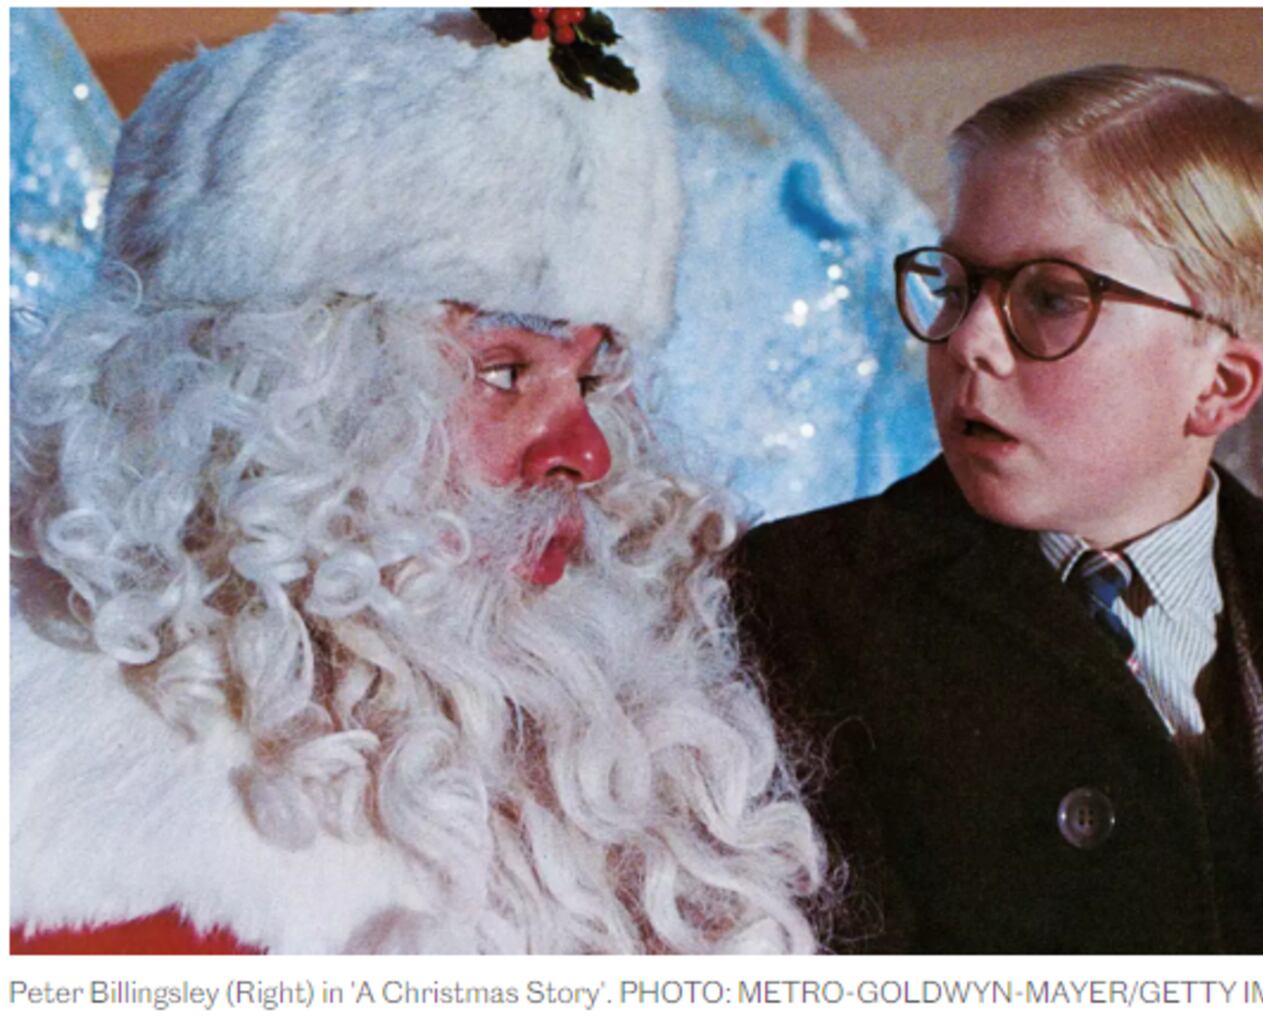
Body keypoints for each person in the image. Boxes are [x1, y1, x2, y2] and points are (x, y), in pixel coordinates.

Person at [10, 8, 824, 955]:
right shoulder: (98, 842)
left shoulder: (642, 734)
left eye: (595, 378)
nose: (588, 454)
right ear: (275, 406)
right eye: (505, 371)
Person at [734, 65, 1263, 954]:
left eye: (1051, 297)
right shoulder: (795, 603)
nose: (969, 341)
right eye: (957, 285)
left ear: (1219, 387)